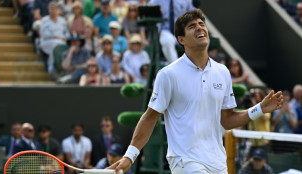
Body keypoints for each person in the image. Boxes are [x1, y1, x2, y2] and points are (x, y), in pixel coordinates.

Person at [107, 9, 283, 174]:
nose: (199, 28)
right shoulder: (168, 74)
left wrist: (259, 108)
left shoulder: (222, 72)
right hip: (184, 160)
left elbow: (227, 120)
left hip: (217, 162)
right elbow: (150, 117)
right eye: (192, 26)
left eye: (201, 24)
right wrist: (129, 156)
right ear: (181, 39)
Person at [40, 2, 70, 73]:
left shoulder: (62, 20)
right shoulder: (44, 20)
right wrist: (53, 36)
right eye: (51, 9)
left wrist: (66, 37)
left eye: (54, 9)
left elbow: (67, 32)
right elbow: (43, 34)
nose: (52, 11)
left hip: (61, 40)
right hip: (47, 41)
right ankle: (51, 65)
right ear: (48, 10)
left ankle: (59, 66)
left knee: (60, 45)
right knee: (55, 45)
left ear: (57, 10)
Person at [247, 88, 271, 158]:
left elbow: (265, 118)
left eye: (256, 94)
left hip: (263, 141)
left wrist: (255, 104)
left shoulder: (266, 106)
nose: (255, 96)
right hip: (253, 142)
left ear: (261, 95)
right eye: (254, 94)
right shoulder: (250, 107)